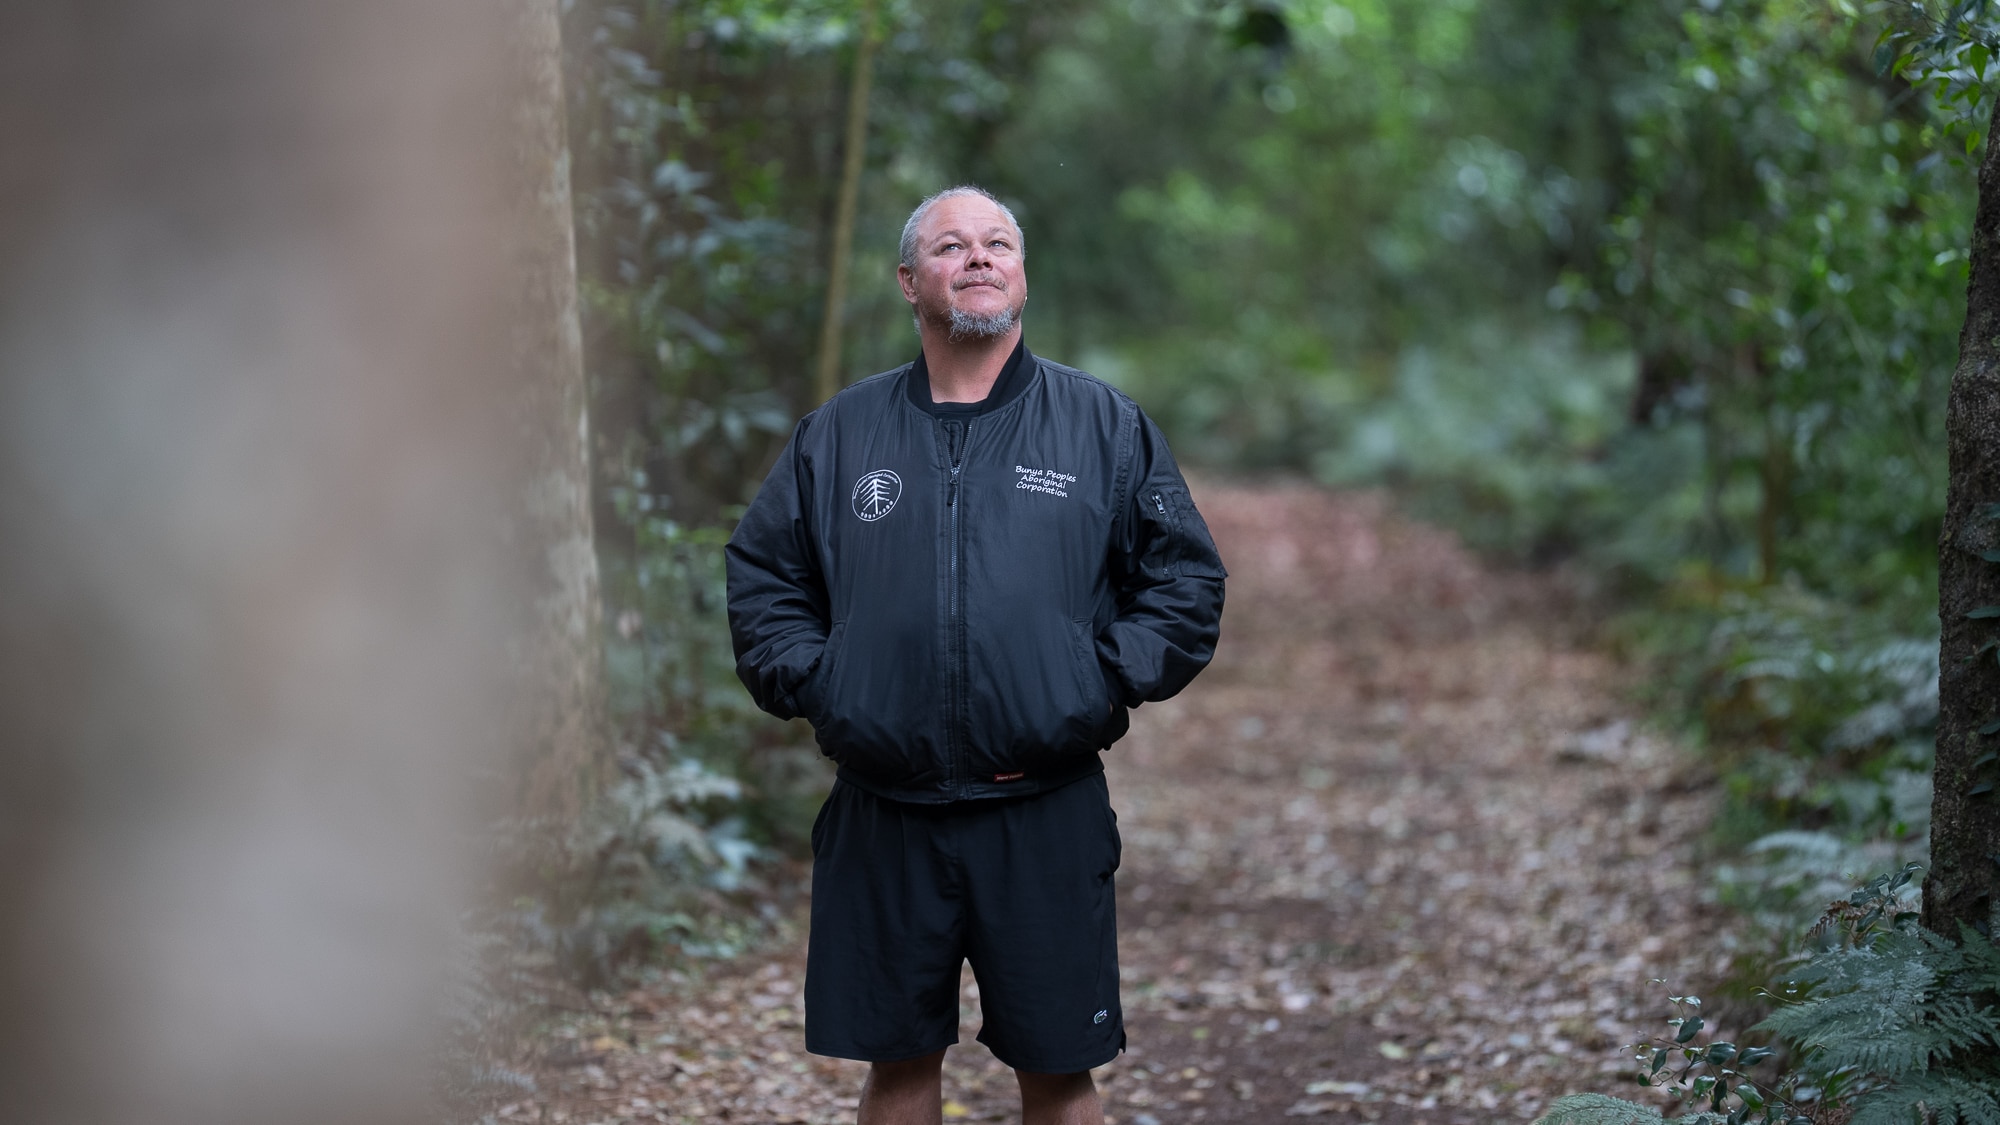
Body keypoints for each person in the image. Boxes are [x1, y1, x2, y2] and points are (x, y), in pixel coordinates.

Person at [725, 185, 1226, 1125]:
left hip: (1044, 808)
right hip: (885, 808)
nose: (981, 258)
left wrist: (1097, 679)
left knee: (1060, 1068)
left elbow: (1186, 582)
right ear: (911, 281)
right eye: (953, 247)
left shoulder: (1101, 426)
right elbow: (764, 576)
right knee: (899, 1067)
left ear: (1023, 274)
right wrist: (825, 683)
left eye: (998, 243)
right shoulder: (840, 434)